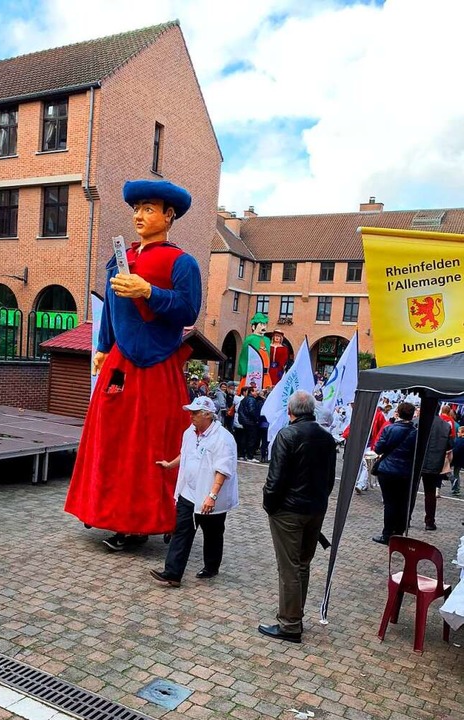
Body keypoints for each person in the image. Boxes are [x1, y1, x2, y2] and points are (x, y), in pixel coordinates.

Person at [64, 180, 201, 551]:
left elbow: (189, 311)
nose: (139, 215)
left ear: (169, 216)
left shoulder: (182, 262)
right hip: (119, 363)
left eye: (149, 208)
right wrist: (103, 346)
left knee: (152, 447)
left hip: (157, 366)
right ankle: (115, 517)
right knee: (113, 445)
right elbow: (110, 306)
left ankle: (156, 520)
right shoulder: (119, 259)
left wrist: (149, 292)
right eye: (137, 208)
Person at [258, 390, 336, 643]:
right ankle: (294, 613)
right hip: (315, 507)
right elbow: (329, 479)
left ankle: (290, 623)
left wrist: (270, 505)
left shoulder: (288, 434)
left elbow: (275, 478)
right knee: (302, 564)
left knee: (290, 566)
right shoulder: (326, 437)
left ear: (290, 411)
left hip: (290, 510)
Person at [150, 396, 238, 587]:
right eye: (190, 412)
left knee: (213, 532)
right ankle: (173, 573)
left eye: (195, 413)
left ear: (207, 415)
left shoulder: (223, 438)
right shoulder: (190, 432)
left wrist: (212, 496)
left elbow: (223, 469)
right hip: (188, 493)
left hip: (209, 496)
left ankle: (211, 566)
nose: (191, 416)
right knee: (182, 530)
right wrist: (170, 465)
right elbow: (186, 453)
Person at [372, 400, 417, 545]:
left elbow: (378, 448)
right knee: (403, 502)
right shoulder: (416, 433)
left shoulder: (390, 429)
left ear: (398, 412)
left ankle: (387, 534)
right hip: (406, 472)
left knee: (390, 503)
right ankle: (398, 532)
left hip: (388, 470)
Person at [418, 412, 453, 531]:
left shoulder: (417, 422)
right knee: (430, 493)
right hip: (434, 463)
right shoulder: (445, 426)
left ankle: (407, 519)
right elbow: (449, 446)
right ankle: (429, 522)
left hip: (417, 461)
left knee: (411, 492)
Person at [237, 313, 271, 390]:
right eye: (261, 325)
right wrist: (244, 370)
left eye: (265, 325)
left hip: (265, 374)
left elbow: (268, 356)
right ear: (253, 326)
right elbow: (244, 356)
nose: (264, 327)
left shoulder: (267, 340)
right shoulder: (250, 339)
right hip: (252, 374)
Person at [451, 425, 464, 496]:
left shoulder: (459, 440)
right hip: (460, 460)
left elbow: (456, 450)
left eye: (458, 432)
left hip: (457, 459)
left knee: (450, 472)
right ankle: (456, 488)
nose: (457, 433)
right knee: (456, 473)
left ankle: (455, 486)